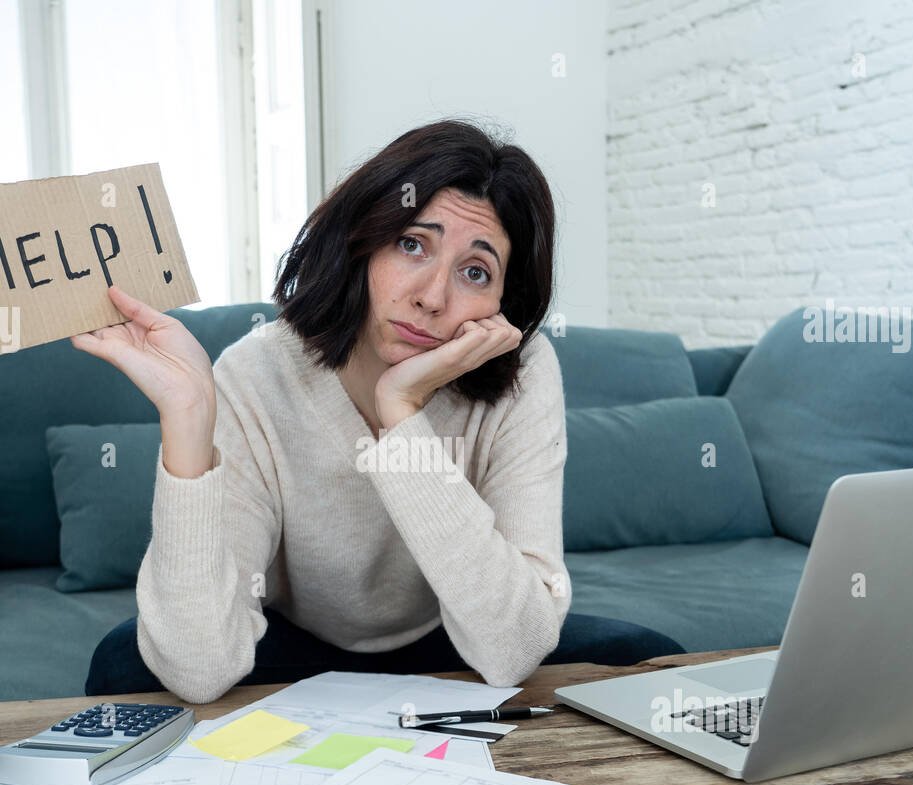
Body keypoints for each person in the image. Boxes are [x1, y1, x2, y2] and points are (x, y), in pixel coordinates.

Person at [75, 119, 680, 703]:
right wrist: (187, 418)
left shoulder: (524, 372)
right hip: (295, 648)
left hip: (455, 636)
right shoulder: (256, 372)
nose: (432, 296)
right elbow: (199, 669)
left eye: (475, 271)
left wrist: (402, 410)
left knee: (651, 660)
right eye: (412, 244)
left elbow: (513, 648)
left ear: (504, 302)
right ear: (361, 242)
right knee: (126, 659)